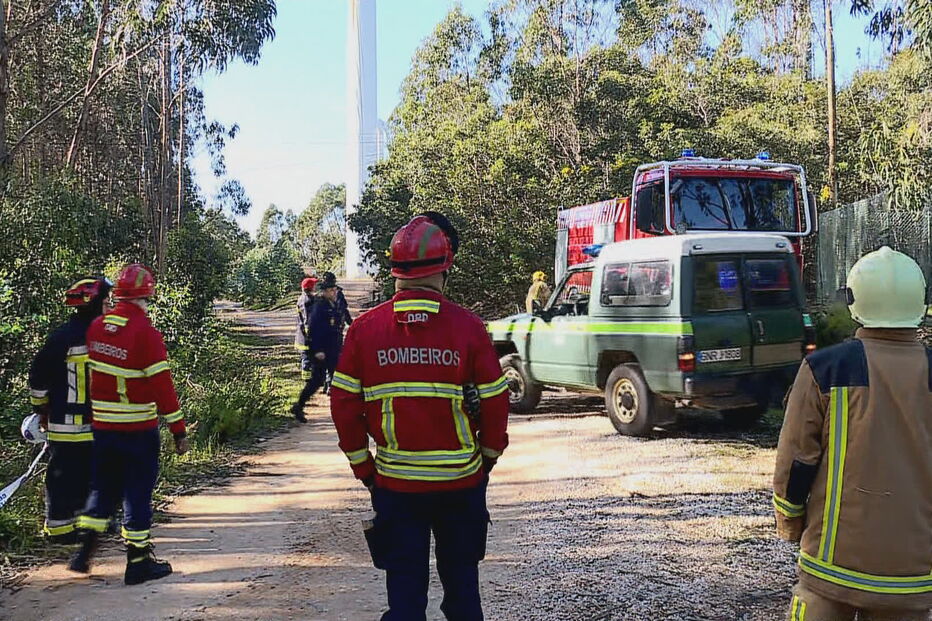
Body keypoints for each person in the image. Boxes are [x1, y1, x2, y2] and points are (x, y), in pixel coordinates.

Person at [330, 214, 509, 620]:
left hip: (396, 487)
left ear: (395, 270)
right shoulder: (469, 328)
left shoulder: (364, 330)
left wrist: (365, 469)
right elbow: (497, 404)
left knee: (405, 599)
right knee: (463, 594)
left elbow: (342, 407)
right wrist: (487, 457)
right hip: (461, 484)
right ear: (445, 267)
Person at [774, 246, 931, 621]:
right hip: (913, 579)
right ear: (919, 304)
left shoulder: (824, 369)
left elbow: (796, 459)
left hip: (831, 568)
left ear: (855, 302)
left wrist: (790, 523)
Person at [70, 264, 189, 586]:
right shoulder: (146, 334)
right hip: (138, 430)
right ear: (146, 295)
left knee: (102, 489)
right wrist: (179, 431)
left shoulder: (96, 327)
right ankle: (137, 563)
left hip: (104, 429)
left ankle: (85, 550)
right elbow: (164, 389)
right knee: (137, 494)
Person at [28, 277, 112, 543]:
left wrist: (41, 408)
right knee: (69, 475)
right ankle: (60, 529)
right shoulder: (73, 337)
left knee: (84, 475)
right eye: (106, 302)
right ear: (94, 304)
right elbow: (39, 377)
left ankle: (86, 525)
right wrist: (42, 408)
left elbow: (38, 377)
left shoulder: (66, 336)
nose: (110, 307)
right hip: (72, 424)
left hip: (85, 423)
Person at [291, 278, 344, 422]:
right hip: (323, 350)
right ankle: (299, 405)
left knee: (336, 378)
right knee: (317, 380)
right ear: (325, 292)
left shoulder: (332, 304)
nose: (335, 292)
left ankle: (340, 410)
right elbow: (313, 329)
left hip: (333, 348)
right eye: (332, 290)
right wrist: (318, 350)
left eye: (335, 290)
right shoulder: (319, 306)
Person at [294, 277, 318, 415]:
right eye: (314, 285)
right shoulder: (306, 301)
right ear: (310, 288)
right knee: (307, 361)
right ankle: (307, 382)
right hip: (306, 338)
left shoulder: (306, 298)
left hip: (305, 336)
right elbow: (308, 321)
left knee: (309, 360)